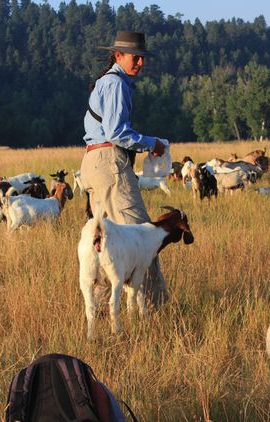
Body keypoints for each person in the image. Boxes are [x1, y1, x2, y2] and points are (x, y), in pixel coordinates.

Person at [80, 31, 168, 307]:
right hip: (110, 164)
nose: (140, 63)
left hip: (94, 164)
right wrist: (152, 143)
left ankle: (100, 316)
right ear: (118, 56)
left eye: (142, 58)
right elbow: (117, 133)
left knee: (105, 243)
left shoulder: (107, 83)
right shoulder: (116, 84)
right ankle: (154, 312)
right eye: (135, 57)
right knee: (144, 239)